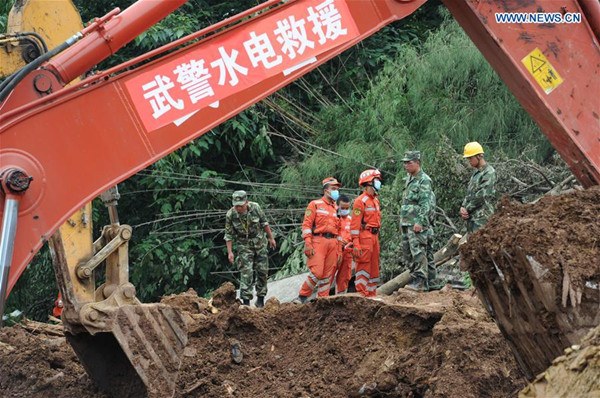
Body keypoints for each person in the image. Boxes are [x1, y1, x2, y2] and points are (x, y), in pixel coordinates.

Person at [224, 190, 276, 308]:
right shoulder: (230, 215)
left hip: (260, 242)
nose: (239, 208)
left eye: (241, 206)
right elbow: (228, 235)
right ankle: (246, 303)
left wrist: (271, 238)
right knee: (246, 273)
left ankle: (260, 300)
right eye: (236, 206)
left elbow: (264, 223)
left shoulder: (255, 208)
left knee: (262, 271)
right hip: (244, 245)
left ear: (246, 202)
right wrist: (230, 252)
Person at [297, 177, 342, 303]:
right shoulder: (315, 204)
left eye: (337, 189)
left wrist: (339, 249)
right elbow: (306, 225)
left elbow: (339, 230)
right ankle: (302, 297)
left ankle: (322, 302)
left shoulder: (337, 208)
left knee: (328, 276)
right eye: (333, 189)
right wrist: (308, 243)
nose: (336, 192)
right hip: (318, 241)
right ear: (326, 190)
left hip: (333, 243)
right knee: (317, 272)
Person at [400, 151, 435, 292]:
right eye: (405, 162)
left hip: (416, 223)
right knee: (408, 252)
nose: (406, 165)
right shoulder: (409, 178)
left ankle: (420, 282)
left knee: (418, 252)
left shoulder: (423, 180)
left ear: (417, 162)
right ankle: (430, 282)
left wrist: (420, 221)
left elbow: (425, 203)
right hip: (406, 222)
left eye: (409, 162)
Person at [350, 169, 382, 297]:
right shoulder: (360, 201)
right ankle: (361, 294)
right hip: (364, 237)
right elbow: (355, 224)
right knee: (363, 266)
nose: (379, 182)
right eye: (377, 180)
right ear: (369, 182)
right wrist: (356, 243)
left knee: (374, 267)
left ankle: (371, 294)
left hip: (374, 237)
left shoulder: (375, 200)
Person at [460, 142, 497, 234]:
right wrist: (463, 207)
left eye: (470, 158)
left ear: (479, 156)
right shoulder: (476, 174)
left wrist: (467, 209)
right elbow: (469, 194)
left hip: (482, 218)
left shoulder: (489, 172)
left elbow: (482, 195)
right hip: (472, 219)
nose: (469, 161)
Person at [329, 194, 353, 295]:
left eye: (347, 208)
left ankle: (341, 298)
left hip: (347, 253)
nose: (345, 210)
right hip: (334, 251)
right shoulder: (332, 218)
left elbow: (355, 237)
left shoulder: (351, 220)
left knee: (344, 277)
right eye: (342, 208)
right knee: (328, 275)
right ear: (337, 206)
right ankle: (322, 298)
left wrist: (350, 243)